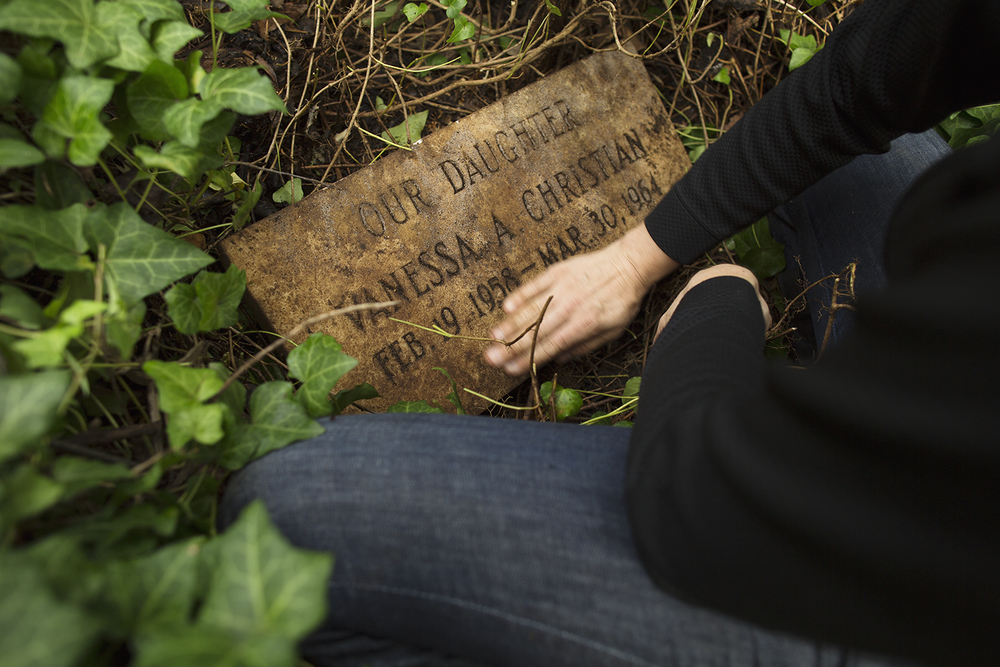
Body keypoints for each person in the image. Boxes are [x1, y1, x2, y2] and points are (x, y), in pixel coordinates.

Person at [219, 0, 1000, 665]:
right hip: (945, 416)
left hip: (904, 606)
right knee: (864, 163)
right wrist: (633, 257)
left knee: (278, 516)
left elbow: (700, 501)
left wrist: (715, 304)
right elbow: (859, 87)